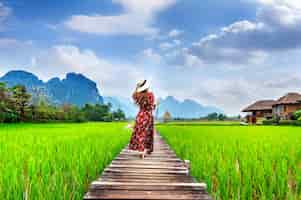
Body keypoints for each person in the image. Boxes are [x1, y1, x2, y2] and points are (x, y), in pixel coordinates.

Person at [129, 80, 156, 159]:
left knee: (140, 133)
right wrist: (155, 105)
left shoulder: (138, 96)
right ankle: (145, 150)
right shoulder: (151, 95)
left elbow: (133, 95)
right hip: (148, 116)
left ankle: (141, 151)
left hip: (140, 116)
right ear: (147, 87)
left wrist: (137, 86)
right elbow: (152, 107)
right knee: (147, 133)